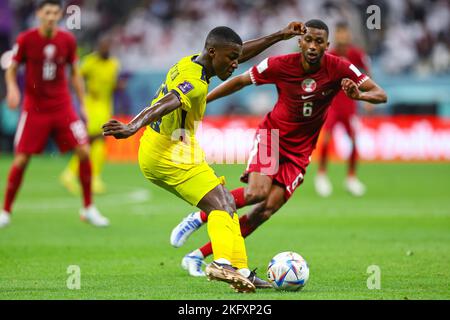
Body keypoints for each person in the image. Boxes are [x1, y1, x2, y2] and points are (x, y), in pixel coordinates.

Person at [170, 19, 387, 277]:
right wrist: (204, 100)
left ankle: (197, 255)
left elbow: (380, 94)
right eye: (309, 39)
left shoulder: (338, 67)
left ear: (327, 46)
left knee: (265, 211)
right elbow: (240, 81)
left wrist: (359, 96)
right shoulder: (279, 65)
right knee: (255, 194)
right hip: (271, 136)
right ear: (300, 42)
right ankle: (199, 218)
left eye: (319, 41)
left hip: (301, 151)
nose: (313, 46)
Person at [102, 23, 307, 292]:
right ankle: (222, 263)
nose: (236, 64)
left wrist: (280, 36)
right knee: (221, 206)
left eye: (236, 58)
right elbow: (170, 101)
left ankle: (241, 270)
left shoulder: (190, 63)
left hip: (172, 146)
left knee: (226, 204)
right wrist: (133, 125)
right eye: (231, 58)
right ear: (213, 52)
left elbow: (240, 52)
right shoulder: (196, 84)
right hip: (169, 153)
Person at [0, 0, 109, 228]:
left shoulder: (67, 40)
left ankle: (88, 208)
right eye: (47, 12)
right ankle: (6, 211)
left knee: (83, 150)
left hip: (62, 106)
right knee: (21, 158)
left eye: (55, 12)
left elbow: (76, 74)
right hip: (35, 108)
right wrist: (12, 89)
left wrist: (83, 106)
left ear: (60, 15)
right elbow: (11, 70)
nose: (51, 16)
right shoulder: (26, 39)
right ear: (39, 13)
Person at [315, 22, 374, 197]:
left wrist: (368, 97)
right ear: (336, 35)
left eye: (344, 33)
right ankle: (322, 175)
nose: (342, 36)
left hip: (350, 106)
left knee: (354, 141)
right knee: (325, 139)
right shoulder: (329, 55)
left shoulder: (357, 55)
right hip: (332, 105)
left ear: (348, 35)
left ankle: (351, 178)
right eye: (339, 33)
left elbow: (367, 75)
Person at [60, 36, 122, 195]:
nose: (106, 49)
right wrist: (80, 93)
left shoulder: (114, 64)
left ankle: (83, 175)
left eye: (108, 46)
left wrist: (118, 86)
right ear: (98, 47)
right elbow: (75, 77)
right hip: (92, 106)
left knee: (97, 141)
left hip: (106, 106)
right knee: (95, 138)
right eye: (103, 46)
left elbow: (112, 85)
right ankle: (81, 175)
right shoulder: (89, 62)